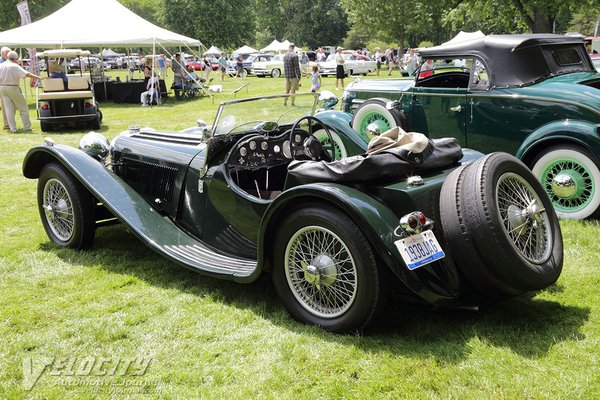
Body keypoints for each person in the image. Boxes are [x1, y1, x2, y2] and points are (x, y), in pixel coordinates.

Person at [0, 51, 43, 133]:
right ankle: (27, 127)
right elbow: (26, 74)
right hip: (13, 87)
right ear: (15, 59)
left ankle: (13, 128)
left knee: (8, 109)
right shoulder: (14, 66)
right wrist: (39, 78)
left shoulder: (1, 65)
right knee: (23, 107)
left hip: (2, 87)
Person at [1, 46, 11, 131]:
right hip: (3, 85)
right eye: (7, 53)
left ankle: (9, 123)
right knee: (5, 105)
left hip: (9, 85)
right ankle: (7, 124)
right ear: (2, 54)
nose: (9, 55)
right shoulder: (1, 62)